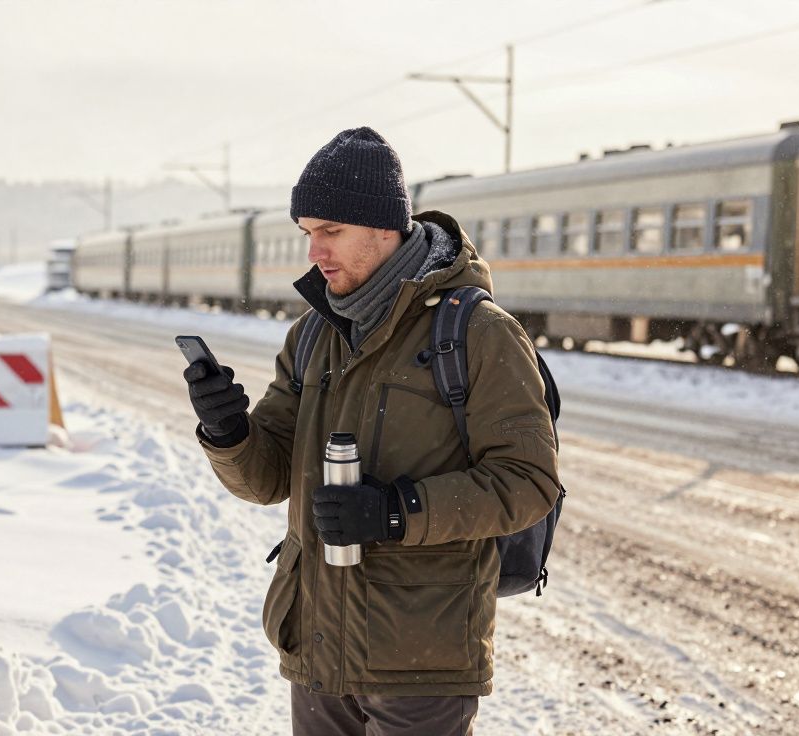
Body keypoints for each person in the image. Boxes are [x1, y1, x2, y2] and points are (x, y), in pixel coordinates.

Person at [183, 127, 561, 735]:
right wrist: (227, 431)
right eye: (308, 233)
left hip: (420, 657)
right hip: (317, 650)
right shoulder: (314, 334)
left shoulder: (477, 334)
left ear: (384, 228)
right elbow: (268, 480)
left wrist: (395, 512)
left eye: (330, 231)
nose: (314, 252)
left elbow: (527, 483)